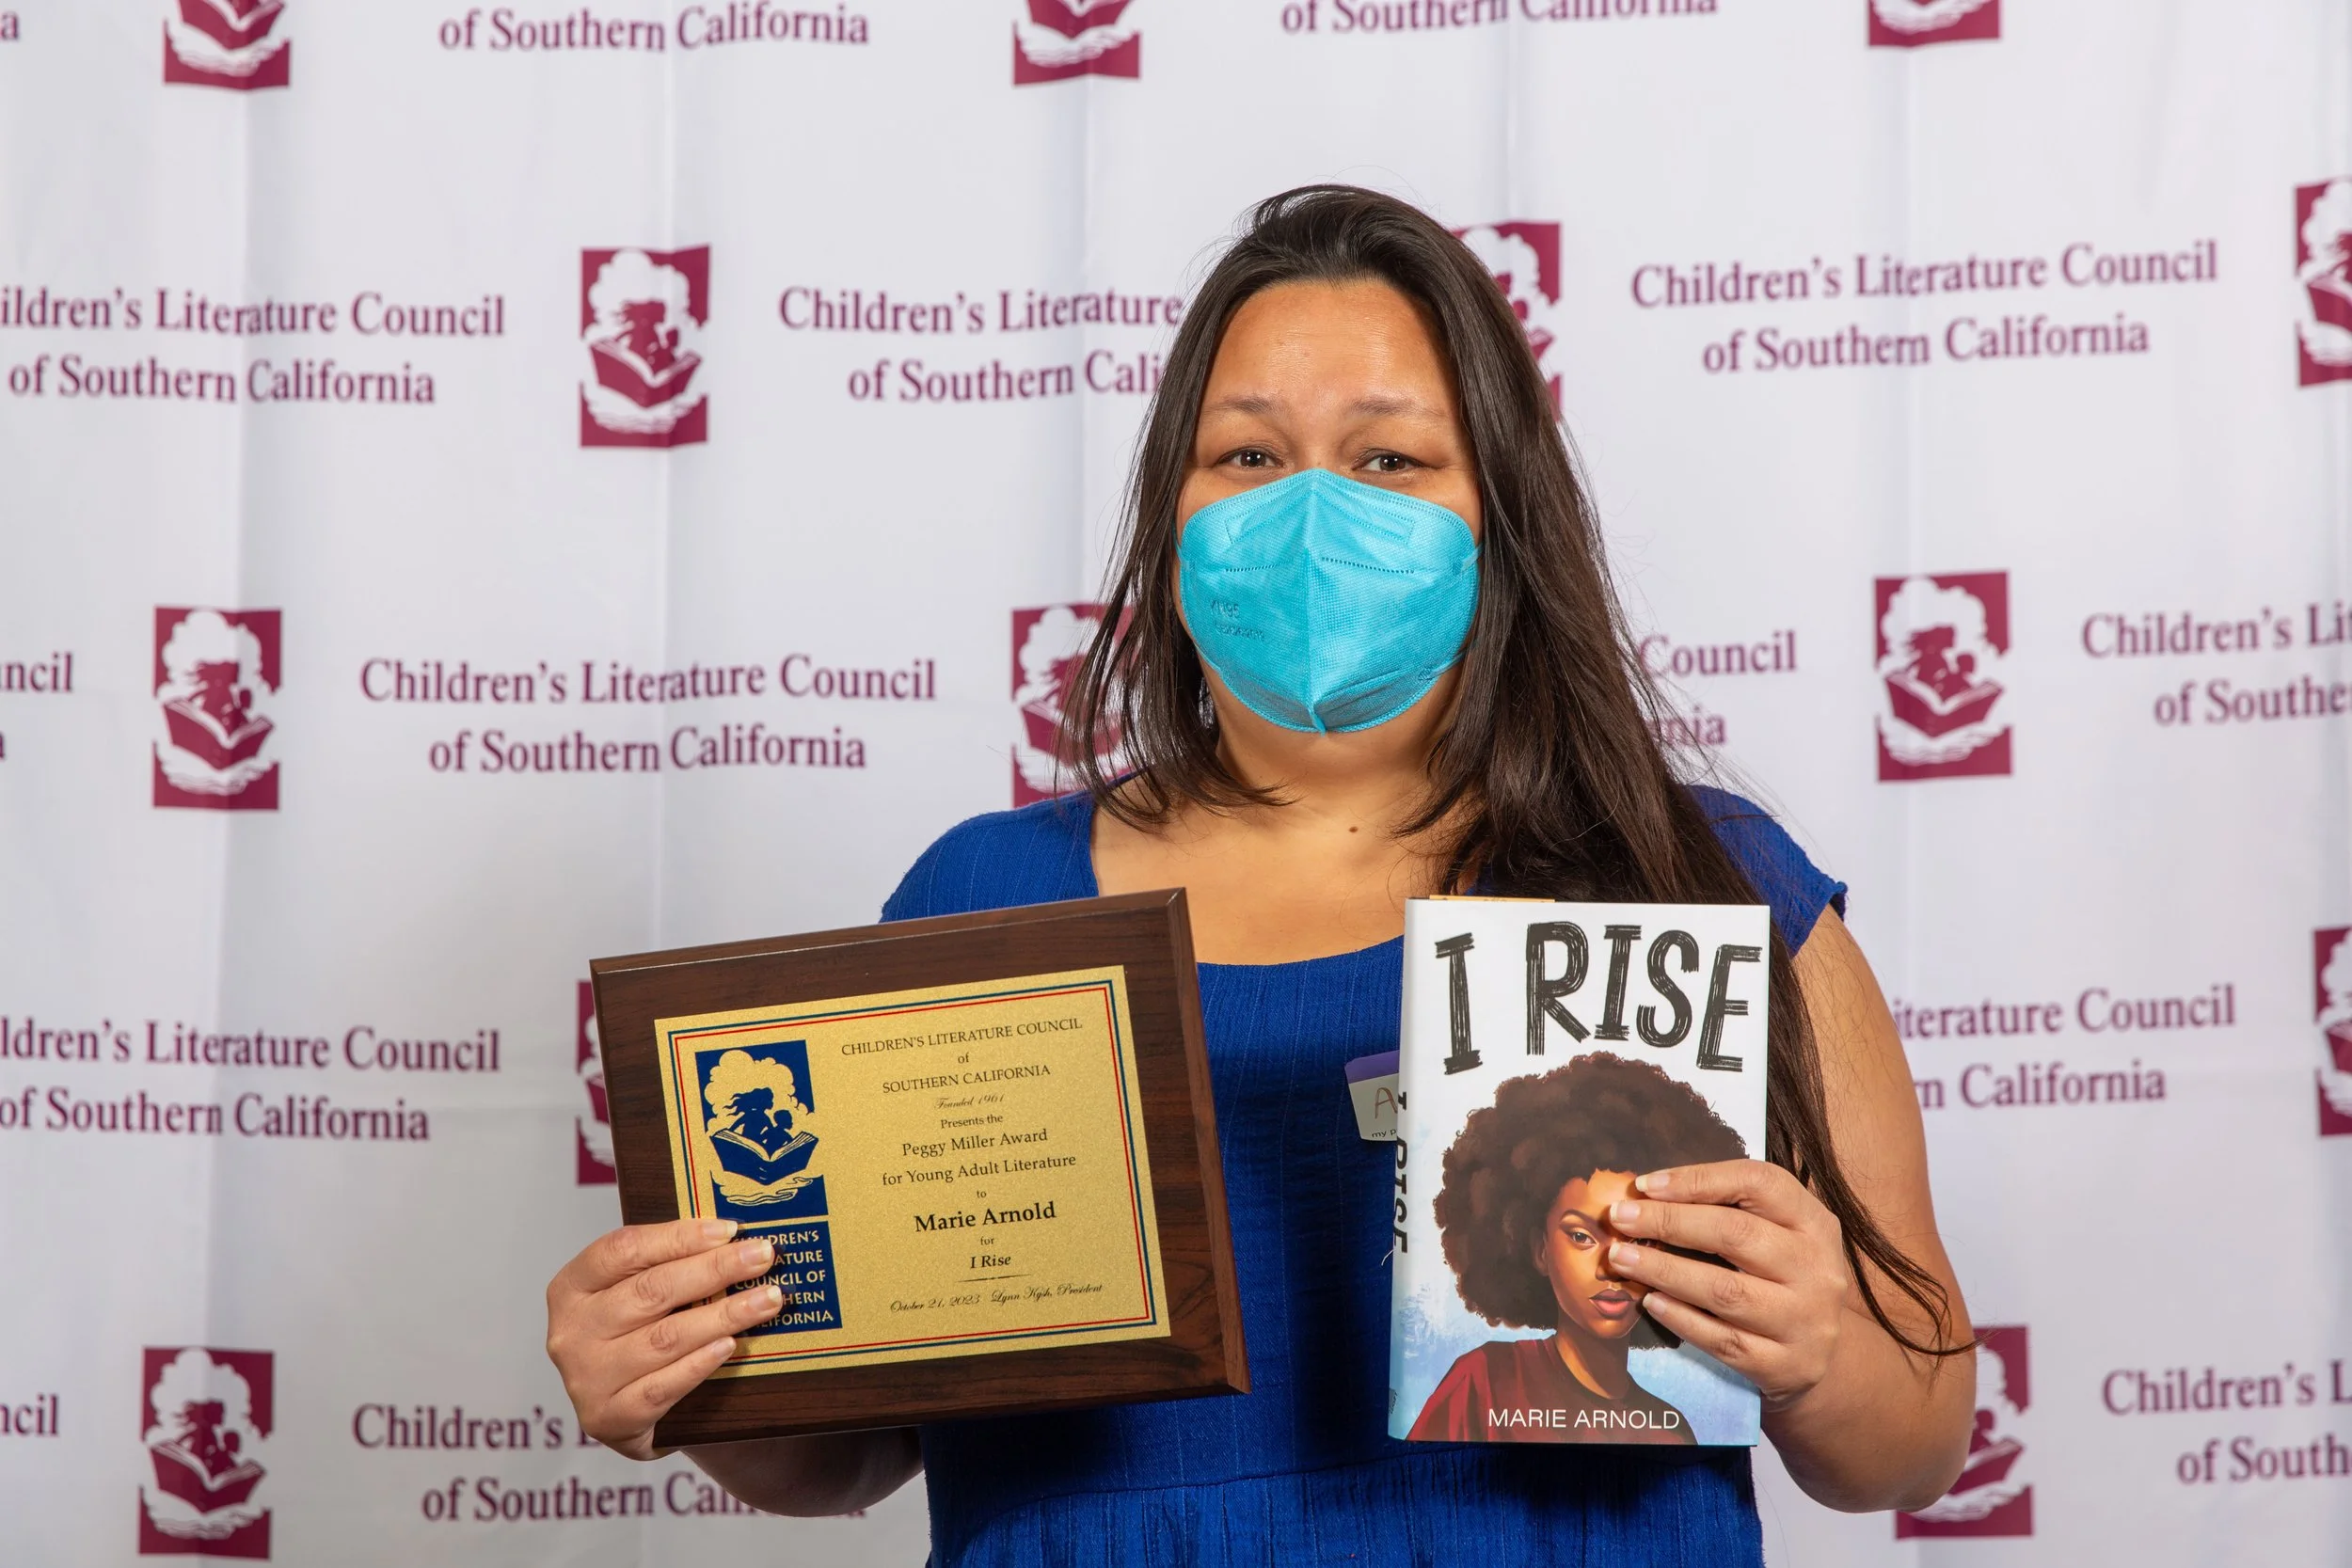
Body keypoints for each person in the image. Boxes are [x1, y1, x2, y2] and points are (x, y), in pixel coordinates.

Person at [544, 185, 1976, 1565]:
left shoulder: (1699, 881)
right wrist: (687, 1373)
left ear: (1501, 512)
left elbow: (1910, 1440)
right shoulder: (983, 899)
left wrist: (1820, 1348)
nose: (1309, 513)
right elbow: (850, 1452)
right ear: (1172, 514)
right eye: (1245, 455)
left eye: (1389, 459)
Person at [1406, 1053, 1746, 1446]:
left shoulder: (1669, 1432)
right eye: (1582, 1236)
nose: (1613, 1267)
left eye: (1639, 1240)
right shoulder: (1485, 1383)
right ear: (1539, 1250)